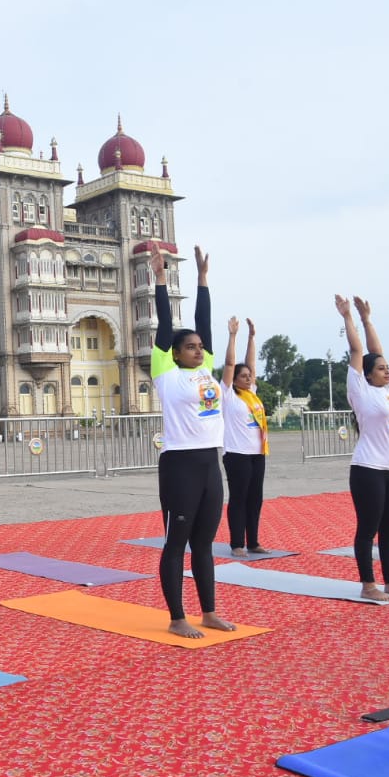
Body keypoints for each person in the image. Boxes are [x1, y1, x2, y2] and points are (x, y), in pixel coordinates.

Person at [149, 242, 235, 638]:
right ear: (175, 352)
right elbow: (166, 325)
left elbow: (206, 321)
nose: (199, 350)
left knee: (204, 542)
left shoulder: (206, 370)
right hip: (180, 464)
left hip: (209, 463)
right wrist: (162, 280)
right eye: (191, 346)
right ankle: (177, 616)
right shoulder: (167, 371)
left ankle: (209, 611)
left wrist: (203, 280)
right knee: (177, 543)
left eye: (200, 346)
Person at [335, 294, 389, 601]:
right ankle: (369, 585)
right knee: (368, 528)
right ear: (367, 374)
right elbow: (360, 350)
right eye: (380, 368)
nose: (386, 370)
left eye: (387, 367)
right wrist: (348, 317)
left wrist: (368, 318)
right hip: (368, 469)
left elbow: (376, 350)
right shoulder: (360, 390)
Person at [220, 317, 269, 557]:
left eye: (250, 376)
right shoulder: (228, 395)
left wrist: (252, 337)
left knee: (255, 498)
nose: (249, 379)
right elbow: (231, 363)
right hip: (237, 454)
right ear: (234, 380)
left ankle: (254, 541)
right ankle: (237, 543)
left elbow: (251, 363)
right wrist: (233, 336)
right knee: (239, 498)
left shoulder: (252, 394)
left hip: (257, 453)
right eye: (244, 376)